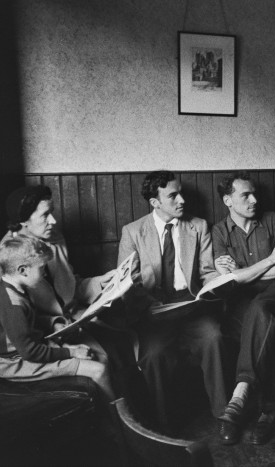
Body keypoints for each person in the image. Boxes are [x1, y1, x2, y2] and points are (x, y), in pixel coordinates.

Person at [117, 170, 227, 429]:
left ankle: (223, 414)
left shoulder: (198, 226)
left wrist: (220, 280)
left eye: (182, 194)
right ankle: (163, 425)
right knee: (153, 355)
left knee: (215, 338)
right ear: (155, 202)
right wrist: (148, 303)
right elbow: (126, 283)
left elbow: (207, 271)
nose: (182, 201)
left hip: (191, 306)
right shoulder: (133, 232)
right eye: (172, 196)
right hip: (154, 311)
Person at [2, 185, 135, 394]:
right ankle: (117, 418)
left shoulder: (55, 238)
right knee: (103, 359)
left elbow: (71, 285)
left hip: (75, 318)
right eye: (45, 215)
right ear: (23, 221)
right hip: (49, 332)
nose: (53, 221)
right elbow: (19, 326)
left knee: (128, 343)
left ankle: (132, 414)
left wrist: (103, 281)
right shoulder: (8, 257)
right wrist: (56, 328)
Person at [212, 172, 275, 445]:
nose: (254, 200)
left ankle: (239, 397)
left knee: (260, 310)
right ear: (228, 200)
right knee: (258, 321)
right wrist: (271, 260)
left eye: (254, 193)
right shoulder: (219, 231)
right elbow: (231, 279)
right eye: (245, 195)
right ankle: (268, 410)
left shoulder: (272, 220)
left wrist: (245, 273)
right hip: (240, 301)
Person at [0, 235, 114, 400]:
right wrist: (71, 352)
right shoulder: (12, 304)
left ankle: (111, 413)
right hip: (14, 363)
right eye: (41, 268)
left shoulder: (15, 287)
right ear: (23, 270)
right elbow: (30, 352)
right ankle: (118, 421)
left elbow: (28, 320)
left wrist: (53, 323)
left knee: (100, 357)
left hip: (30, 349)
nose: (45, 272)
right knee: (99, 370)